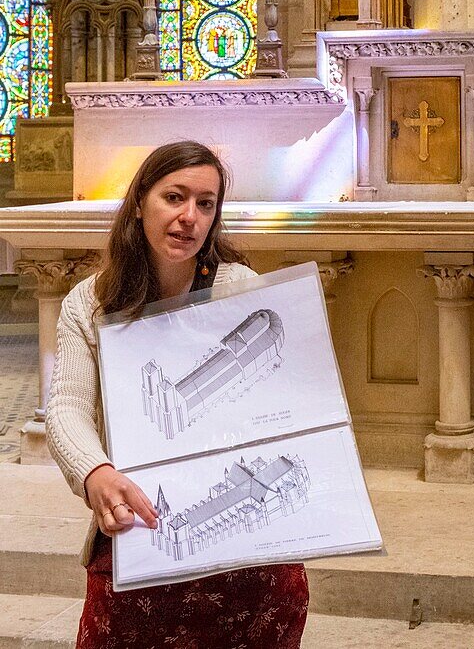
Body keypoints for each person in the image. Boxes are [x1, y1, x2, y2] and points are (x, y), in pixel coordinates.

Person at [46, 140, 309, 649]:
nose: (189, 216)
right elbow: (67, 406)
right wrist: (94, 471)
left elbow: (286, 405)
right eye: (175, 197)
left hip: (243, 544)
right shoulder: (91, 302)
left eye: (205, 204)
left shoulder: (243, 290)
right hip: (140, 526)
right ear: (141, 199)